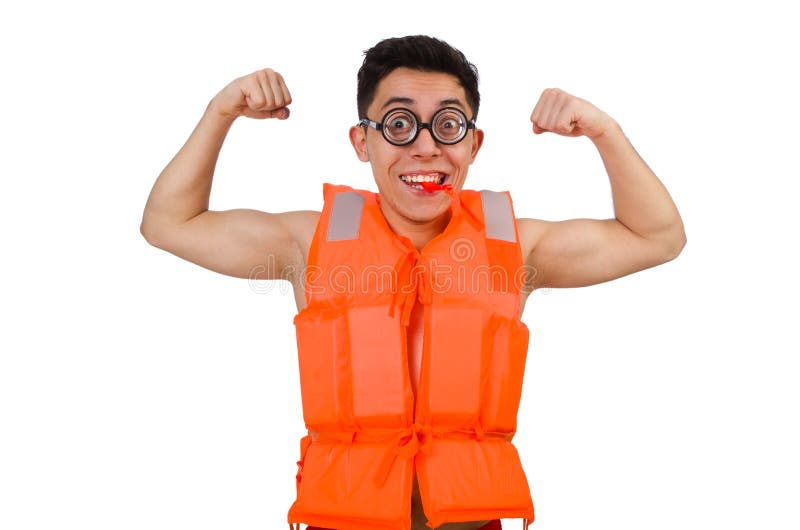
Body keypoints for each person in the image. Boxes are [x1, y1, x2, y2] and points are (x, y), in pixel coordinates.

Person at [140, 35, 686, 530]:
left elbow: (658, 236)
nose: (425, 148)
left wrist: (603, 130)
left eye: (448, 125)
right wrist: (220, 113)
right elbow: (168, 223)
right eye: (399, 124)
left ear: (473, 144)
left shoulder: (520, 247)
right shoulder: (306, 243)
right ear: (362, 142)